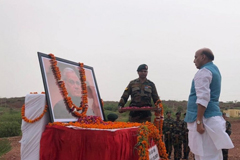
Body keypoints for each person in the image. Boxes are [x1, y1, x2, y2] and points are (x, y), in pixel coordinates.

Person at [184, 48, 234, 160]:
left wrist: (198, 121)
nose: (194, 60)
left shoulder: (203, 72)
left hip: (205, 120)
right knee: (212, 153)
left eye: (196, 57)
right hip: (211, 117)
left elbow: (203, 98)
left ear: (203, 57)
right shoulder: (214, 69)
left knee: (205, 154)